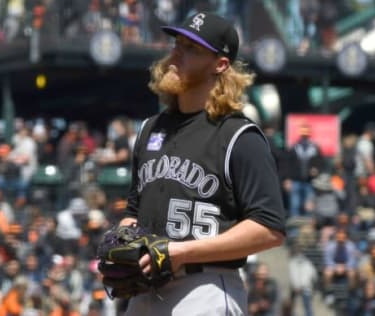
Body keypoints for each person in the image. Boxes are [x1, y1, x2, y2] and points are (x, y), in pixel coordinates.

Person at [109, 11, 286, 315]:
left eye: (192, 49)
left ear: (220, 64)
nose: (176, 54)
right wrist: (122, 241)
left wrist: (181, 251)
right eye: (177, 44)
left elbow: (269, 227)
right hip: (146, 290)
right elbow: (134, 210)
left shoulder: (238, 136)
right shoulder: (150, 129)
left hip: (204, 287)